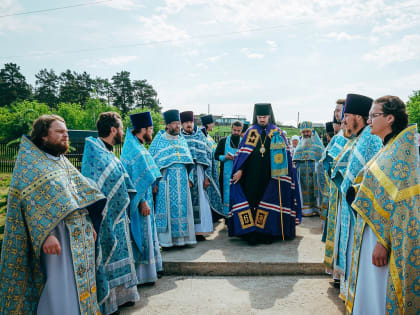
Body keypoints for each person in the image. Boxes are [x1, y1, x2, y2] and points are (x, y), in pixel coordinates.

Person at [0, 115, 106, 314]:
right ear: (43, 136)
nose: (65, 135)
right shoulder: (30, 165)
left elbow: (78, 195)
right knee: (61, 285)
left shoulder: (61, 160)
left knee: (79, 286)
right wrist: (46, 234)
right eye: (59, 132)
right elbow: (29, 202)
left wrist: (89, 223)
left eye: (65, 131)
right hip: (54, 238)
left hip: (77, 236)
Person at [346, 96, 419, 315]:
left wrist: (382, 242)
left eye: (373, 116)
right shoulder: (390, 148)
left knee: (379, 292)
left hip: (382, 242)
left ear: (389, 118)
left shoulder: (402, 155)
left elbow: (401, 208)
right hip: (370, 234)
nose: (369, 121)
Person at [82, 112, 139, 314]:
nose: (123, 132)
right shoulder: (95, 153)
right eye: (121, 128)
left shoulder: (107, 152)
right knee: (108, 255)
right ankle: (109, 302)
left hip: (119, 216)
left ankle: (124, 296)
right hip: (105, 217)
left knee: (120, 253)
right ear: (113, 129)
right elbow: (94, 188)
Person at [333, 94, 383, 301]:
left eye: (346, 116)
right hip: (351, 206)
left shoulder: (370, 139)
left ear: (357, 117)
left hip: (361, 211)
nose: (342, 120)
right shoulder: (359, 138)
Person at [229, 103, 302, 245]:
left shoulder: (277, 132)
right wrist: (240, 170)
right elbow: (243, 155)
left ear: (269, 116)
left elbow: (286, 156)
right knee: (252, 201)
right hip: (251, 176)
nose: (262, 119)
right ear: (256, 116)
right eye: (259, 117)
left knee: (270, 200)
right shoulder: (250, 132)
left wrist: (285, 174)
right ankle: (250, 232)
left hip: (272, 177)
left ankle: (268, 231)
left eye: (264, 116)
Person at [120, 111, 163, 285]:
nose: (152, 132)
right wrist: (142, 201)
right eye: (151, 129)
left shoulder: (137, 146)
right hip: (140, 202)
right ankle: (143, 275)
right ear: (143, 129)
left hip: (145, 198)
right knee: (143, 235)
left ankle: (151, 271)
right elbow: (133, 179)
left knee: (149, 233)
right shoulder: (133, 150)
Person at [148, 110, 196, 248]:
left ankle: (183, 240)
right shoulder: (159, 140)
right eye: (175, 124)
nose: (178, 127)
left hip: (182, 179)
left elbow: (188, 161)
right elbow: (152, 163)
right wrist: (154, 183)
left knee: (183, 209)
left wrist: (189, 177)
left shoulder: (181, 139)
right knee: (168, 210)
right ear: (167, 125)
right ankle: (167, 242)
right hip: (166, 180)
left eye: (178, 124)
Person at [180, 111, 223, 239]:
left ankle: (200, 232)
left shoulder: (200, 136)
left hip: (199, 173)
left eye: (191, 122)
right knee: (186, 203)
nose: (189, 125)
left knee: (202, 201)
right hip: (185, 174)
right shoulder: (179, 139)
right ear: (182, 124)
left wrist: (207, 177)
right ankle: (188, 232)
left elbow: (208, 158)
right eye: (186, 122)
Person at [293, 121, 325, 216]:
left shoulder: (318, 145)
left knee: (315, 192)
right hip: (302, 175)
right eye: (304, 132)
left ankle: (317, 208)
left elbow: (322, 158)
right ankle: (307, 210)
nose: (306, 134)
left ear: (312, 131)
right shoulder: (299, 145)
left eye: (308, 132)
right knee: (303, 192)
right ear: (301, 133)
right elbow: (295, 159)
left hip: (314, 174)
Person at [214, 120, 243, 216]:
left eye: (238, 131)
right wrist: (225, 157)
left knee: (237, 196)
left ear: (241, 130)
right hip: (225, 175)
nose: (236, 132)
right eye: (234, 130)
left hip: (239, 175)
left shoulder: (243, 142)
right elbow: (216, 156)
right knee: (226, 195)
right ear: (231, 129)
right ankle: (226, 216)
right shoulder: (223, 141)